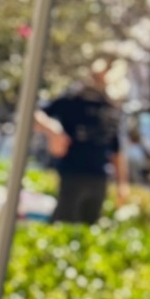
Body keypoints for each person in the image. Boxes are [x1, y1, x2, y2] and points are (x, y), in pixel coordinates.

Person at [36, 62, 129, 223]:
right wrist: (53, 131)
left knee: (89, 226)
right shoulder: (71, 100)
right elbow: (36, 113)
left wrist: (122, 184)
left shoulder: (110, 108)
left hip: (99, 176)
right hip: (72, 171)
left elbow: (116, 149)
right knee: (64, 222)